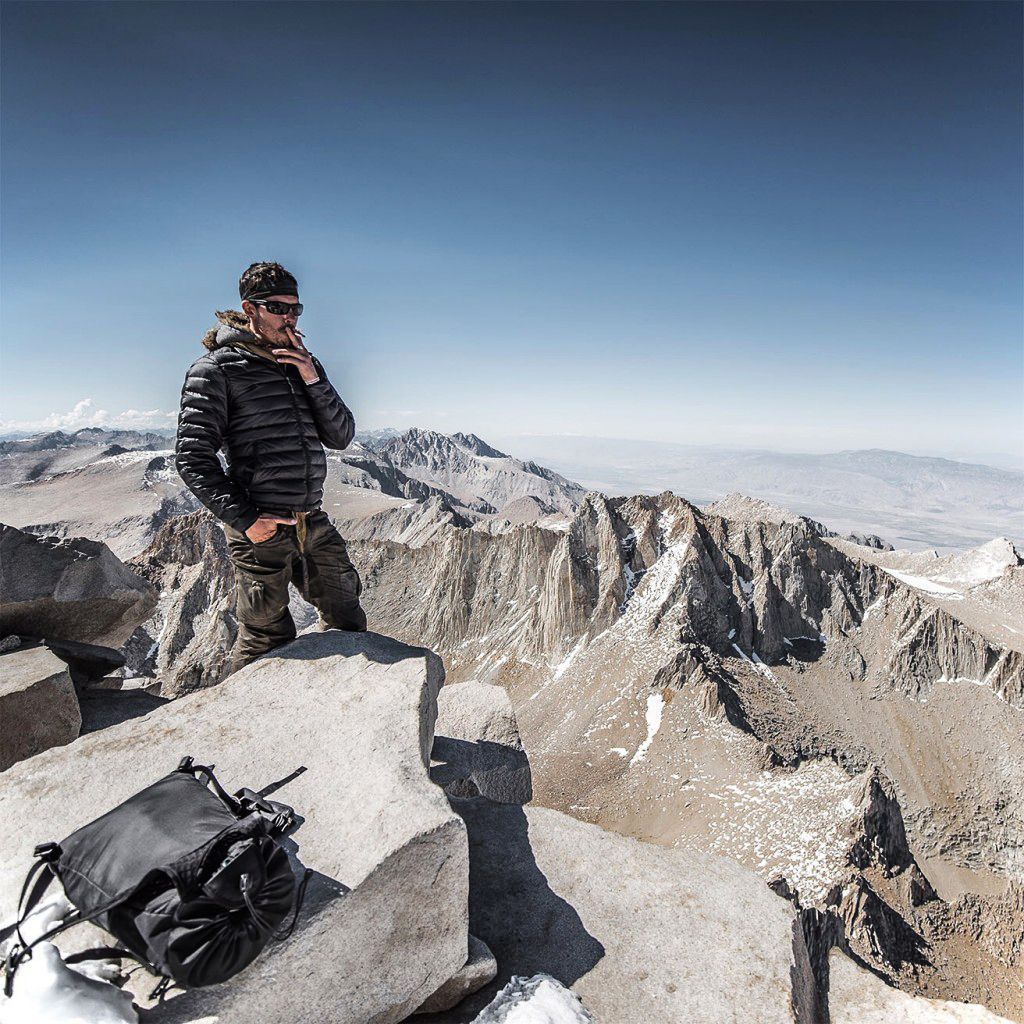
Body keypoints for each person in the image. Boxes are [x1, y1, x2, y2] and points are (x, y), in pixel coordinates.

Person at [175, 261, 367, 673]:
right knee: (265, 635)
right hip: (261, 527)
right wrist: (247, 520)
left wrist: (313, 378)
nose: (291, 318)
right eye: (279, 308)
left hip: (311, 519)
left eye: (296, 309)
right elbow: (192, 457)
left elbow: (341, 435)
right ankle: (234, 721)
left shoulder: (302, 363)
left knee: (348, 616)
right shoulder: (215, 370)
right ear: (250, 308)